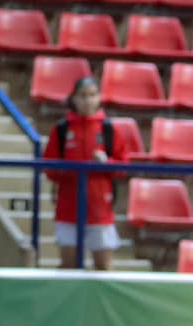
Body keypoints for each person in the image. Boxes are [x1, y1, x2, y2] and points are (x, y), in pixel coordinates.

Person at [44, 76, 136, 270]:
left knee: (103, 266)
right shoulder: (62, 130)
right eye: (83, 96)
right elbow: (49, 168)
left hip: (99, 209)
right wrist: (70, 168)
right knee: (68, 265)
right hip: (68, 208)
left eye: (92, 95)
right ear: (74, 99)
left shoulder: (109, 129)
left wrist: (106, 163)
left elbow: (123, 167)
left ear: (99, 98)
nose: (87, 100)